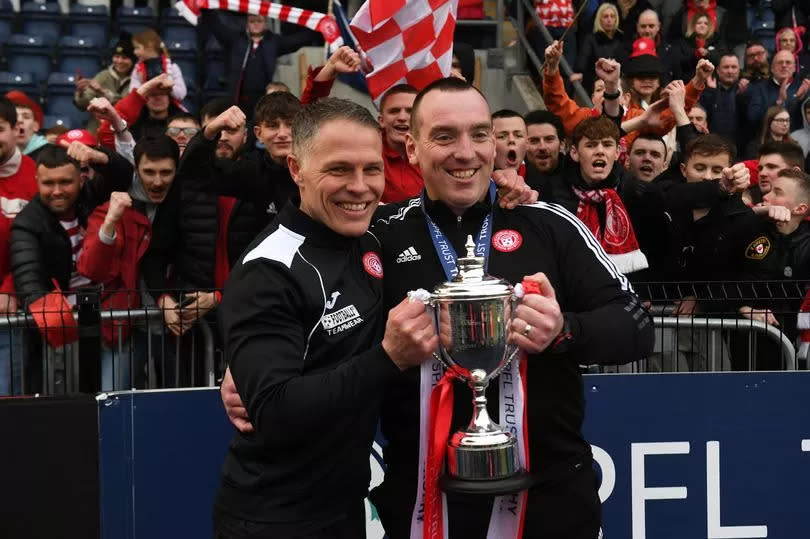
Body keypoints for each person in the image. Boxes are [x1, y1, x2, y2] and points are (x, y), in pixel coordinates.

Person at [366, 77, 654, 538]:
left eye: (480, 134)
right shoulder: (380, 234)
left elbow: (637, 325)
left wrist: (564, 330)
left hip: (551, 499)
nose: (466, 152)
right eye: (444, 136)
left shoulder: (549, 222)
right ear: (412, 148)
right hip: (425, 502)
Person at [213, 97, 436, 538]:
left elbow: (444, 211)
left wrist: (505, 189)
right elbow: (274, 411)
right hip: (275, 519)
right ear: (296, 169)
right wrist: (388, 357)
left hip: (344, 507)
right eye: (338, 170)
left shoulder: (369, 234)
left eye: (372, 169)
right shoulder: (268, 268)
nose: (360, 187)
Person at [77, 137, 182, 389]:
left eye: (166, 172)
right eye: (149, 172)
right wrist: (111, 222)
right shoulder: (114, 205)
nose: (157, 181)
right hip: (123, 326)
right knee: (115, 402)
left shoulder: (184, 203)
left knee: (180, 403)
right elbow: (92, 269)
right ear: (136, 170)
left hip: (176, 324)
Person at [300, 46, 425, 203]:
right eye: (394, 111)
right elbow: (309, 121)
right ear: (381, 121)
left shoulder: (432, 153)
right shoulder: (363, 147)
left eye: (410, 111)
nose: (402, 117)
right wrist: (330, 68)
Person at [203, 11, 313, 117]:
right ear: (247, 24)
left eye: (259, 21)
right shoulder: (236, 39)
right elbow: (217, 26)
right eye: (252, 21)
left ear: (265, 23)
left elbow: (298, 40)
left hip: (263, 97)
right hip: (238, 97)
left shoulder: (274, 41)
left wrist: (316, 24)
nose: (255, 24)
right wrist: (206, 9)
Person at [0, 97, 37, 395]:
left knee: (6, 395)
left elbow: (39, 244)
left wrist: (11, 287)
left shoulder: (36, 177)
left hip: (9, 311)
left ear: (16, 129)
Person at [96, 73, 184, 147]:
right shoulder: (133, 125)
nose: (158, 98)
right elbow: (112, 137)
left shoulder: (184, 123)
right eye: (153, 95)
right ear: (145, 99)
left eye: (162, 94)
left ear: (170, 98)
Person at [73, 33, 136, 133]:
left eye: (124, 58)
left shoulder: (136, 79)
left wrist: (102, 91)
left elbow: (126, 107)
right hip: (98, 130)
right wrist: (81, 93)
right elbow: (84, 104)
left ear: (133, 60)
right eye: (117, 56)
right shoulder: (103, 76)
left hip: (126, 131)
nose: (119, 61)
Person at [747, 50, 810, 132]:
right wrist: (778, 103)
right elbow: (753, 118)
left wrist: (801, 100)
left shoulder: (803, 87)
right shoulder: (758, 88)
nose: (784, 65)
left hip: (796, 140)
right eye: (780, 62)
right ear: (772, 68)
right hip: (767, 140)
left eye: (788, 62)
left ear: (794, 68)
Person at [700, 51, 748, 148]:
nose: (730, 71)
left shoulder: (747, 89)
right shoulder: (707, 91)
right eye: (726, 67)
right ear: (717, 70)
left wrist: (743, 96)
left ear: (739, 70)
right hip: (712, 145)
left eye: (734, 67)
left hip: (739, 147)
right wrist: (711, 93)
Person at [574, 3, 624, 95]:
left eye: (612, 16)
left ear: (616, 19)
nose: (609, 20)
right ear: (599, 19)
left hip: (618, 83)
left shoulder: (622, 39)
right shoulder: (591, 39)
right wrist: (580, 72)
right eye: (605, 16)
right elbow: (583, 60)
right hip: (596, 83)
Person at [128, 29, 186, 102]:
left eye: (137, 48)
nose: (134, 52)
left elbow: (181, 94)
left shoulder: (172, 66)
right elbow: (132, 95)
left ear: (149, 45)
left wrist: (170, 88)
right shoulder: (137, 69)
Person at [743, 140, 805, 206]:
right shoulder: (745, 199)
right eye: (760, 168)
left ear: (795, 172)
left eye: (771, 167)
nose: (762, 173)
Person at [677, 11, 722, 81]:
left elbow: (720, 60)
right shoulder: (684, 42)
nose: (702, 25)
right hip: (689, 80)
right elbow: (680, 63)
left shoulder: (716, 41)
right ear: (693, 25)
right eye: (699, 23)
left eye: (706, 23)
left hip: (711, 81)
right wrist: (696, 55)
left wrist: (708, 53)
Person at [5, 91, 48, 160]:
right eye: (14, 116)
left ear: (36, 126)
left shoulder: (49, 154)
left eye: (26, 117)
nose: (19, 120)